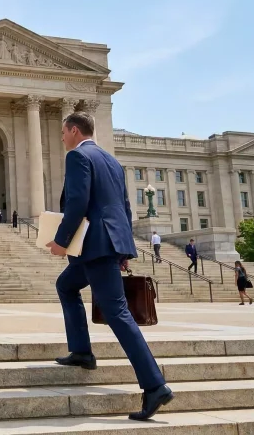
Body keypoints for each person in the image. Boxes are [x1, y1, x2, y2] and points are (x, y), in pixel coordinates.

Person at [46, 111, 173, 421]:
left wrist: (61, 240)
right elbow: (124, 207)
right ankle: (81, 351)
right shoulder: (112, 161)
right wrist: (123, 248)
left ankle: (155, 385)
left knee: (117, 312)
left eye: (63, 132)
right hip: (107, 243)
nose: (62, 138)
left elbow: (77, 202)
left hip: (95, 246)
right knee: (66, 285)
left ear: (74, 131)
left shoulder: (78, 156)